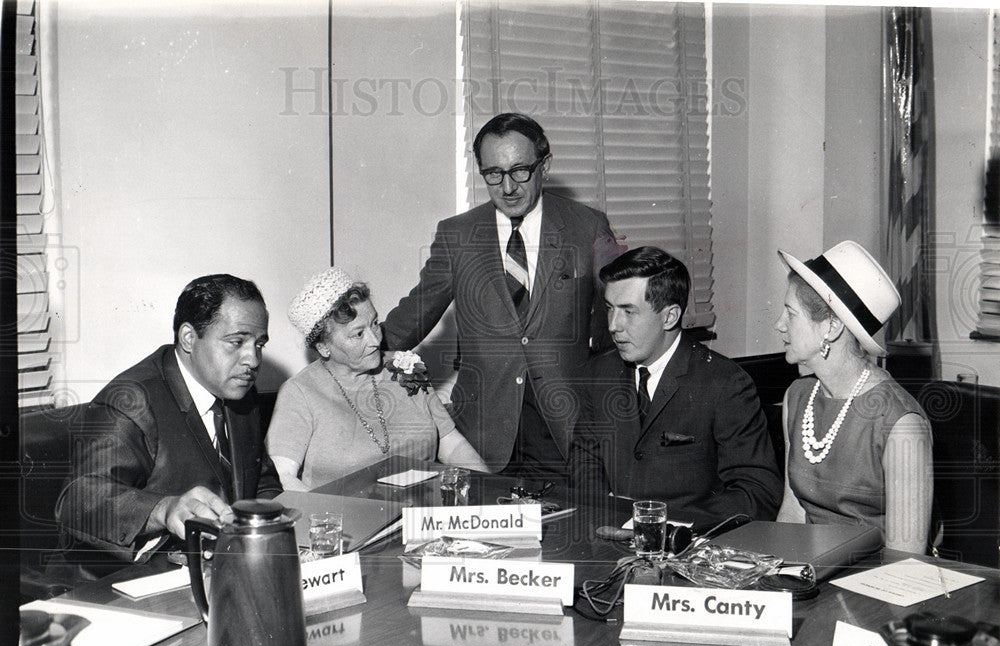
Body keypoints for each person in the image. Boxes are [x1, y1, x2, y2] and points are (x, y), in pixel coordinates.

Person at [380, 112, 622, 479]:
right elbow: (414, 314)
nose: (508, 187)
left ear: (545, 165)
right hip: (481, 433)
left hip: (566, 430)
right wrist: (353, 351)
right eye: (493, 174)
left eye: (520, 170)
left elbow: (612, 326)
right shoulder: (457, 234)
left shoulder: (587, 225)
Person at [56, 274, 282, 567]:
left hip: (216, 567)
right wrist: (164, 508)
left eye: (259, 344)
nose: (252, 360)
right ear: (189, 338)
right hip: (122, 579)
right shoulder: (130, 401)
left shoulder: (237, 391)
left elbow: (260, 481)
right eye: (236, 342)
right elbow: (76, 500)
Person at [569, 246, 782, 530]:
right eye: (609, 309)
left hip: (690, 546)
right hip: (611, 536)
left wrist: (662, 520)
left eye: (628, 312)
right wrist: (606, 511)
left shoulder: (725, 383)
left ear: (669, 317)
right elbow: (585, 460)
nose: (613, 326)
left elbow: (757, 494)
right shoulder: (598, 373)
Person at [774, 240, 932, 552]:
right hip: (809, 575)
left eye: (790, 314)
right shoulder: (797, 397)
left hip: (876, 584)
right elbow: (792, 513)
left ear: (830, 327)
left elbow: (907, 560)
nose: (779, 325)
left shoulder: (901, 423)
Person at [266, 267, 487, 490]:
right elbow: (283, 478)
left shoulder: (405, 366)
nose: (374, 340)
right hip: (347, 518)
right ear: (324, 347)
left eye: (374, 323)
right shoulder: (299, 392)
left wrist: (489, 490)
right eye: (358, 334)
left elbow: (451, 443)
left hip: (423, 513)